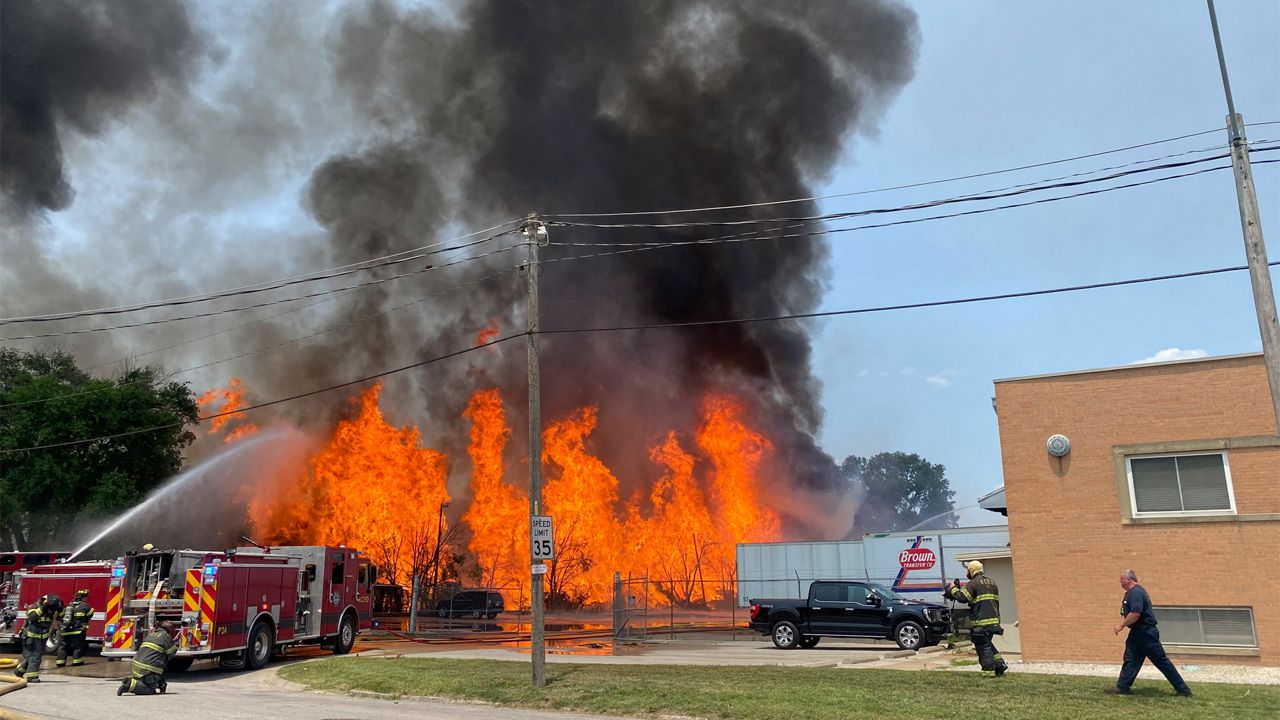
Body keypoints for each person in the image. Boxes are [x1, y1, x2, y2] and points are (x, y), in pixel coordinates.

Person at [1105, 570, 1191, 697]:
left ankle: (1183, 690)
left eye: (1121, 579)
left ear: (1128, 579)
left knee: (1161, 661)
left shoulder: (1136, 592)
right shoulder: (1133, 592)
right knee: (1131, 659)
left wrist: (1121, 626)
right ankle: (1123, 687)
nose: (1120, 582)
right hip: (1137, 633)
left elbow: (1135, 613)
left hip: (1146, 633)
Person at [944, 560, 1008, 677]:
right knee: (987, 644)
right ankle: (1000, 665)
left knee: (983, 647)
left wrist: (953, 589)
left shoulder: (973, 583)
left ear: (971, 570)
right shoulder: (991, 583)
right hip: (993, 621)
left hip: (981, 622)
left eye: (968, 570)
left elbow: (962, 598)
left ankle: (988, 673)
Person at [117, 621, 178, 696]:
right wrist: (173, 643)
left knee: (143, 681)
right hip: (148, 667)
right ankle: (129, 685)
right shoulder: (166, 636)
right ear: (169, 630)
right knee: (150, 690)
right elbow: (172, 652)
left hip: (136, 664)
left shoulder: (151, 635)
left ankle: (133, 682)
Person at [13, 594, 63, 683]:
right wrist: (43, 608)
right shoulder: (34, 607)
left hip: (42, 636)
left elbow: (60, 616)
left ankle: (19, 671)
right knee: (35, 656)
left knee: (32, 657)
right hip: (31, 636)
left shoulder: (52, 610)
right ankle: (32, 676)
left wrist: (59, 609)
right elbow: (32, 617)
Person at [56, 588, 94, 668]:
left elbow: (61, 616)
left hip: (65, 630)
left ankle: (60, 662)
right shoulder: (85, 605)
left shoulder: (69, 605)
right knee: (77, 646)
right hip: (77, 630)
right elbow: (89, 615)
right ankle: (77, 661)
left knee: (63, 646)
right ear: (84, 597)